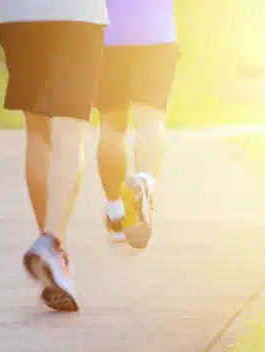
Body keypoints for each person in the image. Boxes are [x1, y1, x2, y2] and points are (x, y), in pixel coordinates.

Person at [0, 0, 109, 312]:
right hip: (75, 15)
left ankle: (52, 251)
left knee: (37, 132)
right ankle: (52, 241)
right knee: (70, 132)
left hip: (19, 16)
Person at [96, 0, 179, 248]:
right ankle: (143, 181)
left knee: (111, 126)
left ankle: (117, 213)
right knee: (150, 120)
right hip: (157, 34)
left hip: (107, 36)